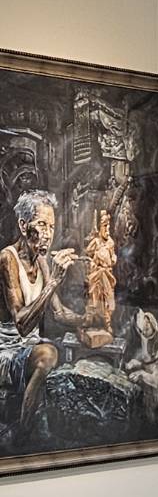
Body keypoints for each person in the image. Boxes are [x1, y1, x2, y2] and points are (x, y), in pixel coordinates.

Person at [0, 190, 84, 446]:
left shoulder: (42, 261)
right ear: (23, 225)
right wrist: (55, 281)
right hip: (6, 351)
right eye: (42, 225)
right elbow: (22, 324)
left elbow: (59, 312)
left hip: (28, 348)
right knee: (48, 354)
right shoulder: (7, 259)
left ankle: (36, 425)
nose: (48, 234)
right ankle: (22, 432)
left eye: (52, 226)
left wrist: (90, 319)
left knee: (58, 353)